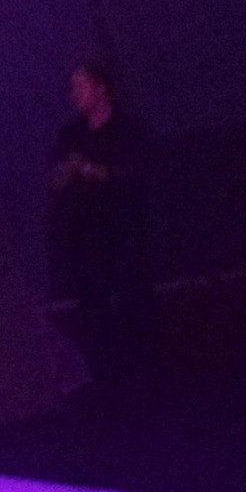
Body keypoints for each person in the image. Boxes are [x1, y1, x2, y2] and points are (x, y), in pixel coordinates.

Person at [50, 56, 152, 387]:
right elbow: (55, 182)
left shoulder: (128, 129)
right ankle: (108, 378)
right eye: (73, 88)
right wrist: (68, 172)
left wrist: (97, 172)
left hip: (123, 231)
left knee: (133, 300)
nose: (75, 94)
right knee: (94, 307)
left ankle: (147, 372)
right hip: (86, 236)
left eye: (81, 86)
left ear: (101, 88)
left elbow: (141, 175)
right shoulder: (71, 133)